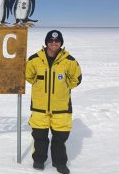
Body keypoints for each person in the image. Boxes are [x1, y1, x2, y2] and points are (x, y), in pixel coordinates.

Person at [25, 30, 82, 174]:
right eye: (50, 41)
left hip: (61, 107)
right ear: (46, 43)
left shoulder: (69, 60)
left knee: (60, 138)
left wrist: (64, 86)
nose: (54, 43)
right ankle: (39, 160)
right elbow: (28, 76)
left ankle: (59, 163)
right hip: (39, 107)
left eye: (57, 41)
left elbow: (77, 78)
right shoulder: (34, 59)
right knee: (39, 137)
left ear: (61, 43)